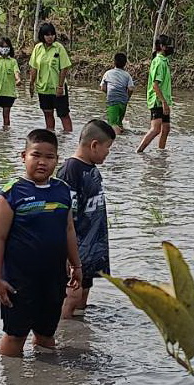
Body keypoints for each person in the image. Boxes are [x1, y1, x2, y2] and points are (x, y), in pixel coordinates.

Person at [0, 128, 82, 357]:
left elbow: (68, 229)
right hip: (19, 280)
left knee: (47, 332)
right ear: (24, 156)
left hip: (53, 277)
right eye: (36, 155)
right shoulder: (11, 194)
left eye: (49, 157)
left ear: (57, 160)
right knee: (15, 335)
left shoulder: (62, 191)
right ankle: (10, 383)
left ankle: (45, 383)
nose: (42, 162)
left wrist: (77, 265)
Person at [59, 119, 115, 319]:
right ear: (94, 145)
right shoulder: (70, 171)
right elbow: (65, 218)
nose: (108, 153)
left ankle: (79, 335)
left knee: (82, 298)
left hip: (92, 250)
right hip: (78, 251)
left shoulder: (91, 168)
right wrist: (68, 257)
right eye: (107, 148)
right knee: (70, 299)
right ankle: (59, 337)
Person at [27, 22, 72, 133]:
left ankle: (68, 137)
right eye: (47, 35)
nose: (50, 37)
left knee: (63, 114)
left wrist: (60, 86)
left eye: (52, 34)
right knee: (47, 113)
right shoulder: (38, 48)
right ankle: (51, 135)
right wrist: (31, 84)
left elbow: (64, 68)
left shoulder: (58, 48)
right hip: (43, 87)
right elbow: (34, 67)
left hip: (57, 87)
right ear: (42, 36)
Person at [137, 35, 174, 152]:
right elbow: (155, 85)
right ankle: (139, 151)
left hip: (164, 100)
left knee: (166, 128)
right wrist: (163, 102)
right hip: (157, 100)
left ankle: (161, 152)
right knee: (155, 129)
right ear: (162, 47)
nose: (171, 48)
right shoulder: (159, 62)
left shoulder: (164, 61)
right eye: (168, 45)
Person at [100, 52, 135, 134]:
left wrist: (108, 93)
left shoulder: (108, 73)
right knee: (119, 123)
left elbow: (102, 88)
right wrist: (127, 98)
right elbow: (131, 88)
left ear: (114, 62)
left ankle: (117, 143)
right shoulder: (127, 75)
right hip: (123, 102)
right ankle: (122, 140)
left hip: (112, 101)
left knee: (112, 125)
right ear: (125, 64)